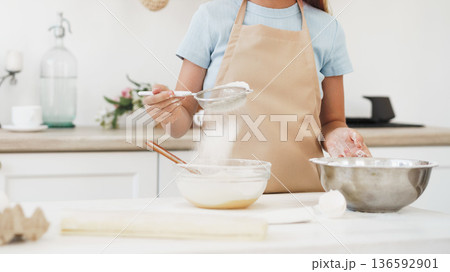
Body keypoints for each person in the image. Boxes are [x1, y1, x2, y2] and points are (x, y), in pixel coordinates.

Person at [143, 0, 371, 193]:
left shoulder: (327, 28)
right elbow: (180, 125)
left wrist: (338, 136)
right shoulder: (211, 17)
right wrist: (169, 113)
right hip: (222, 193)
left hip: (302, 197)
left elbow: (332, 121)